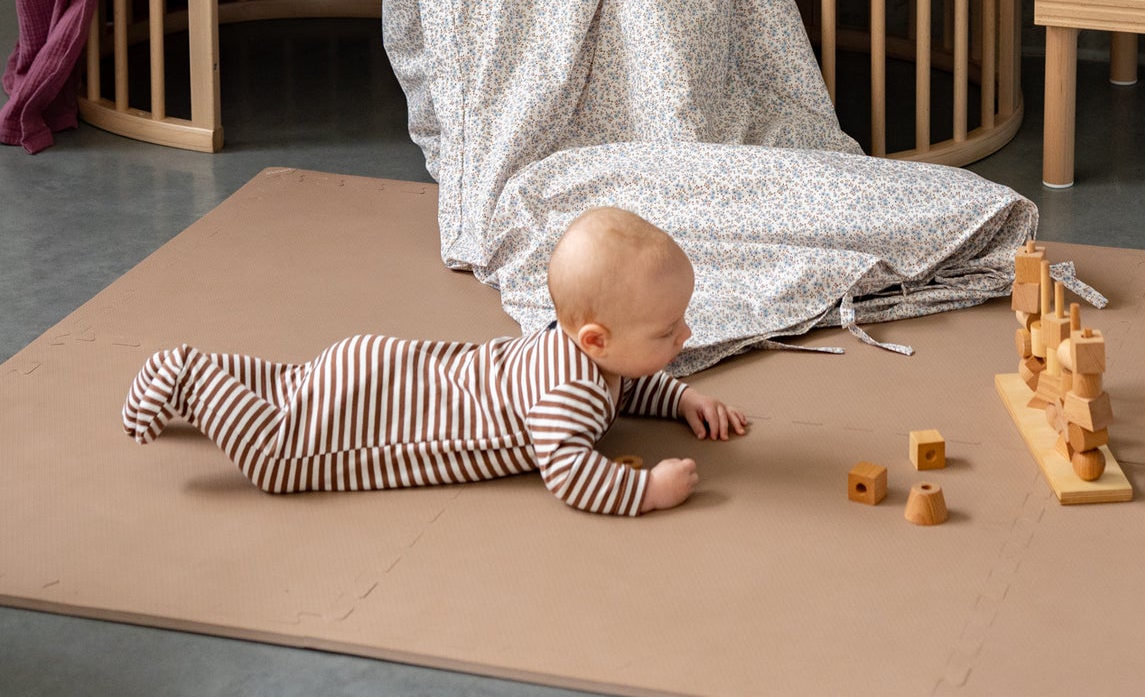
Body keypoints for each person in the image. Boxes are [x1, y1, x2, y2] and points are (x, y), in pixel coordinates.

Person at [122, 205, 746, 514]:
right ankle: (189, 375)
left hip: (382, 369)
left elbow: (630, 384)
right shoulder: (569, 395)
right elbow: (569, 473)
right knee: (279, 459)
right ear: (596, 339)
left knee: (291, 387)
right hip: (376, 415)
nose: (685, 335)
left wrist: (682, 397)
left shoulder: (581, 353)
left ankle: (210, 380)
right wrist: (647, 490)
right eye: (668, 330)